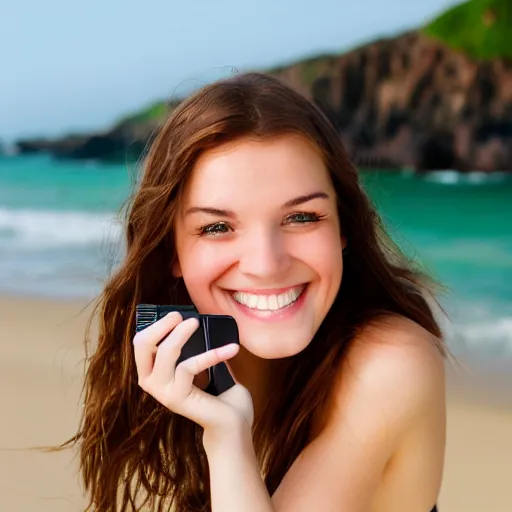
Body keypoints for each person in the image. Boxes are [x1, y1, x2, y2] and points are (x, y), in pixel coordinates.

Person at [69, 72, 447, 511]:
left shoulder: (390, 362)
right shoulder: (207, 369)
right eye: (217, 227)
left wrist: (228, 441)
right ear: (172, 251)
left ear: (343, 227)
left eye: (302, 217)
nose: (267, 264)